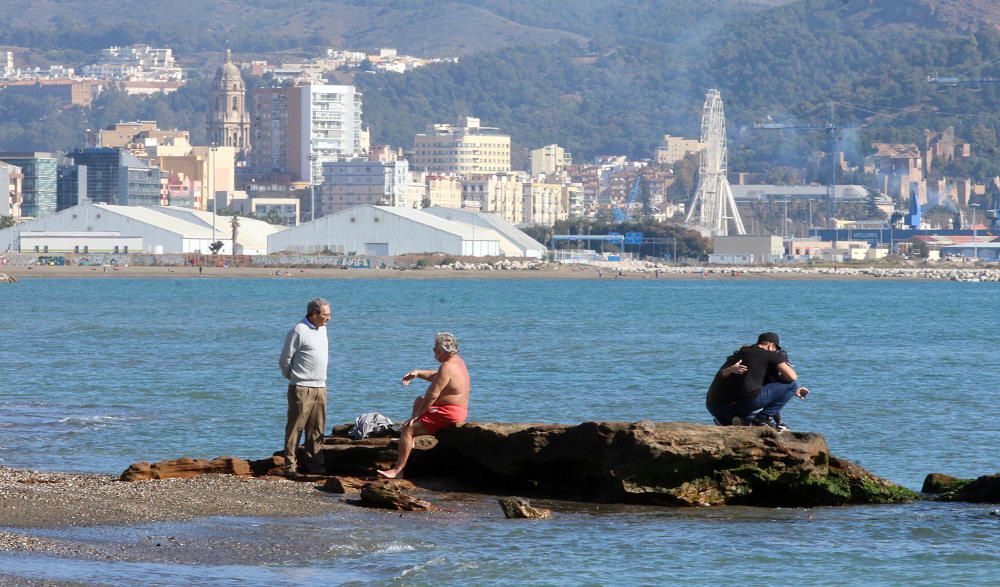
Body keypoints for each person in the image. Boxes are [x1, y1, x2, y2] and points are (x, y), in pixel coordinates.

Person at [378, 332, 470, 479]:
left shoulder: (447, 367)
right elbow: (436, 376)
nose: (433, 351)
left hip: (449, 413)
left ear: (443, 350)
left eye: (435, 349)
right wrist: (418, 373)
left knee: (408, 428)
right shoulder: (457, 362)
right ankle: (409, 443)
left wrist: (417, 416)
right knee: (419, 400)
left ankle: (398, 470)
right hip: (455, 410)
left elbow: (432, 395)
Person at [705, 332, 809, 431]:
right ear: (771, 346)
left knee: (749, 417)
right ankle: (762, 418)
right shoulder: (769, 354)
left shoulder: (739, 354)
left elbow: (721, 376)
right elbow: (792, 376)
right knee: (792, 384)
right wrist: (791, 389)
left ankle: (727, 420)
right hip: (739, 405)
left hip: (714, 407)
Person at [278, 298, 331, 475]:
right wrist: (293, 378)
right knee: (295, 427)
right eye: (325, 315)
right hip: (301, 386)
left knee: (317, 428)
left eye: (329, 314)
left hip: (320, 386)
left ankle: (316, 466)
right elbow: (285, 360)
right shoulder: (298, 330)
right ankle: (290, 466)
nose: (328, 318)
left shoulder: (323, 329)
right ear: (313, 314)